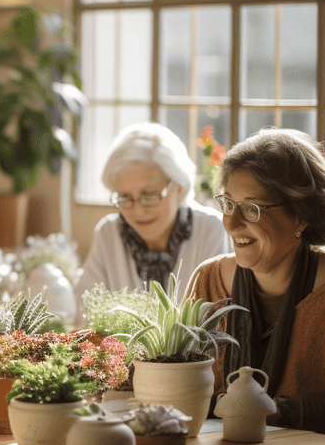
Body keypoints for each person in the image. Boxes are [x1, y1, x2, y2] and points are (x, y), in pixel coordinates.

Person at [176, 128, 325, 445]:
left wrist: (274, 413)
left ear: (302, 215)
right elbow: (176, 377)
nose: (231, 221)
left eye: (252, 209)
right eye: (228, 203)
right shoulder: (208, 281)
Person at [75, 122, 231, 323]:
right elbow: (85, 313)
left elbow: (218, 323)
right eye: (124, 197)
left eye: (149, 196)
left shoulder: (211, 229)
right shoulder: (109, 232)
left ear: (179, 188)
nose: (138, 210)